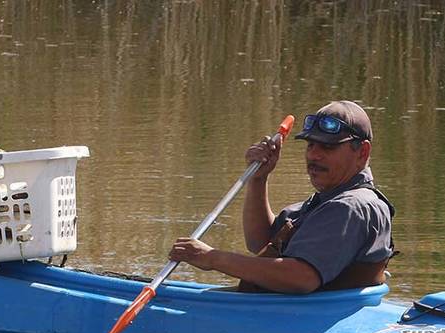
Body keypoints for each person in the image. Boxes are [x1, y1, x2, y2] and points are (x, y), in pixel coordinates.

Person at [168, 100, 395, 293]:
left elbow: (302, 278)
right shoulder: (328, 200)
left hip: (310, 323)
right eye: (311, 145)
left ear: (362, 152)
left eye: (328, 147)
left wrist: (213, 258)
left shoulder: (351, 206)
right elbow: (261, 242)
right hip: (285, 316)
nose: (313, 155)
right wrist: (258, 179)